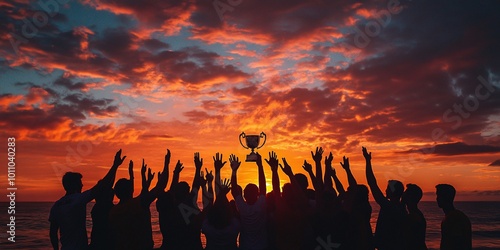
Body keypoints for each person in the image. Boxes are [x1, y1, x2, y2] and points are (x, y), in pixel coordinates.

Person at [49, 149, 126, 250]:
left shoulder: (56, 205)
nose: (82, 185)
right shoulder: (78, 200)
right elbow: (102, 186)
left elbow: (53, 232)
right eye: (80, 183)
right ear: (75, 185)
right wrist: (115, 166)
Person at [109, 151, 169, 250]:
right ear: (131, 190)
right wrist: (166, 164)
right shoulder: (138, 204)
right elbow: (161, 186)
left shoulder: (113, 212)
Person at [156, 152, 204, 250]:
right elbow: (196, 187)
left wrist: (175, 173)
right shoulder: (189, 207)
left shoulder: (167, 209)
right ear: (187, 193)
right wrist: (198, 169)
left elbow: (173, 191)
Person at [363, 146, 407, 250]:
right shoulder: (401, 208)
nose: (385, 190)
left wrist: (368, 161)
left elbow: (372, 184)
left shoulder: (390, 206)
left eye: (388, 189)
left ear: (392, 192)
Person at [90, 160, 134, 250]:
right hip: (107, 245)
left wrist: (116, 166)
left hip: (96, 244)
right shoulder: (107, 208)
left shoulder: (97, 207)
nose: (112, 191)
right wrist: (116, 166)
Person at [231, 153, 268, 250]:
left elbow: (234, 190)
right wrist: (260, 166)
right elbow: (263, 188)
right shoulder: (260, 205)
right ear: (257, 194)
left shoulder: (242, 208)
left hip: (245, 247)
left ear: (244, 195)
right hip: (261, 247)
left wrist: (234, 171)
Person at [436, 184, 472, 250]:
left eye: (439, 195)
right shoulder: (451, 217)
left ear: (446, 197)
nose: (437, 198)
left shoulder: (454, 218)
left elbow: (454, 244)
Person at [403, 184, 427, 250]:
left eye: (406, 192)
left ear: (410, 197)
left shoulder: (413, 217)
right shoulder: (416, 214)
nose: (403, 194)